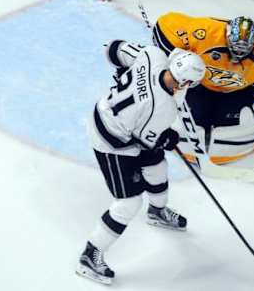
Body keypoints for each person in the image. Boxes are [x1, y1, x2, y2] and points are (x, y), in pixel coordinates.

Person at [76, 40, 206, 284]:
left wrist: (124, 73)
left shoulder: (153, 55)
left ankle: (156, 210)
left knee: (157, 166)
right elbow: (145, 141)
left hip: (116, 115)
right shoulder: (162, 110)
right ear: (185, 82)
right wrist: (167, 137)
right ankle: (90, 256)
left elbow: (114, 49)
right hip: (111, 141)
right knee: (128, 203)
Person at [153, 12, 254, 164]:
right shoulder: (205, 32)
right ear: (227, 36)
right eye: (235, 47)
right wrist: (172, 60)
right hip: (200, 86)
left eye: (244, 49)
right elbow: (164, 25)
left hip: (237, 92)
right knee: (196, 119)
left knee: (230, 123)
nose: (238, 53)